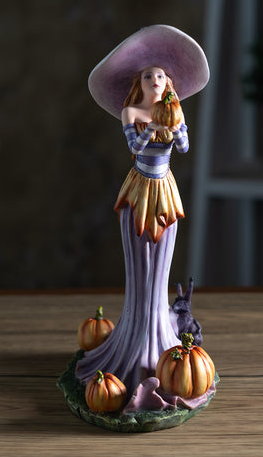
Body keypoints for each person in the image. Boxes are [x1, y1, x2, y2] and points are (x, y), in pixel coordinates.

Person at [75, 25, 210, 407]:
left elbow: (184, 147)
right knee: (138, 258)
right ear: (140, 82)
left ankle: (161, 335)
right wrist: (152, 126)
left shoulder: (175, 111)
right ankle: (132, 339)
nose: (155, 81)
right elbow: (135, 147)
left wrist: (176, 125)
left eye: (161, 76)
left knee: (162, 258)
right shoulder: (131, 112)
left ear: (168, 83)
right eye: (149, 76)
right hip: (140, 189)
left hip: (164, 189)